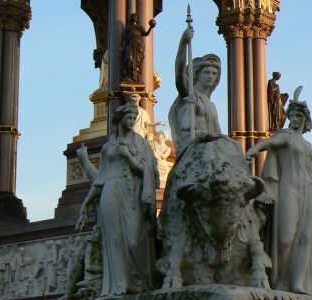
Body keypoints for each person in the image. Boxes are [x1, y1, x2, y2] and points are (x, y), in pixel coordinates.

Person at [246, 98, 312, 294]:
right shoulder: (285, 135)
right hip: (288, 188)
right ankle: (280, 280)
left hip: (310, 191)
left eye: (298, 116)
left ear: (305, 119)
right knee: (285, 238)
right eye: (291, 116)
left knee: (305, 238)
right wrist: (255, 148)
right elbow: (271, 142)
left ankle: (298, 283)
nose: (294, 119)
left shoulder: (308, 145)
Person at [76, 101, 158, 296]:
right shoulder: (108, 147)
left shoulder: (141, 143)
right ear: (119, 120)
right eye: (128, 118)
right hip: (110, 192)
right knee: (114, 239)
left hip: (132, 193)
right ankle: (119, 286)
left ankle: (139, 283)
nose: (131, 122)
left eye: (134, 118)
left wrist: (128, 156)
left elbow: (145, 171)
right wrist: (85, 206)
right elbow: (100, 179)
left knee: (133, 241)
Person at [168, 27, 222, 155]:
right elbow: (179, 73)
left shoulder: (211, 105)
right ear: (197, 74)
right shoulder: (189, 93)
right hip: (194, 148)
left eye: (214, 74)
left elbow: (218, 134)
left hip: (211, 149)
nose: (211, 76)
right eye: (207, 72)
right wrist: (183, 44)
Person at [122, 13, 156, 83]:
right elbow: (124, 38)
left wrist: (151, 27)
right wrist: (123, 46)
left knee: (137, 63)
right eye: (134, 16)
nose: (135, 17)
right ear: (131, 18)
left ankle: (135, 78)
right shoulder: (128, 28)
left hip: (138, 47)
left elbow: (146, 34)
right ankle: (129, 76)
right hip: (130, 46)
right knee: (129, 60)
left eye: (136, 17)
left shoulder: (140, 27)